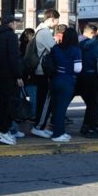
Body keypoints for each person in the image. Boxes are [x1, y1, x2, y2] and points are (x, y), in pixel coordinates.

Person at [0, 16, 24, 145]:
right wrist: (18, 76)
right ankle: (4, 132)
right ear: (11, 23)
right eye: (15, 23)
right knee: (10, 104)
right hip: (10, 75)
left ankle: (4, 130)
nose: (16, 25)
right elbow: (14, 57)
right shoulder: (11, 36)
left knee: (2, 102)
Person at [30, 9, 60, 138]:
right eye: (57, 19)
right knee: (45, 101)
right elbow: (54, 50)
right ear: (52, 18)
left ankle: (40, 125)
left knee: (42, 99)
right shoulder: (45, 32)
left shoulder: (39, 30)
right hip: (44, 70)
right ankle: (39, 126)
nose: (58, 22)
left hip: (40, 70)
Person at [49, 27, 82, 142]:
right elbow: (78, 69)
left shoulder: (56, 48)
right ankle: (58, 134)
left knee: (56, 107)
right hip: (67, 80)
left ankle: (60, 132)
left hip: (55, 79)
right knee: (61, 109)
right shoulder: (75, 49)